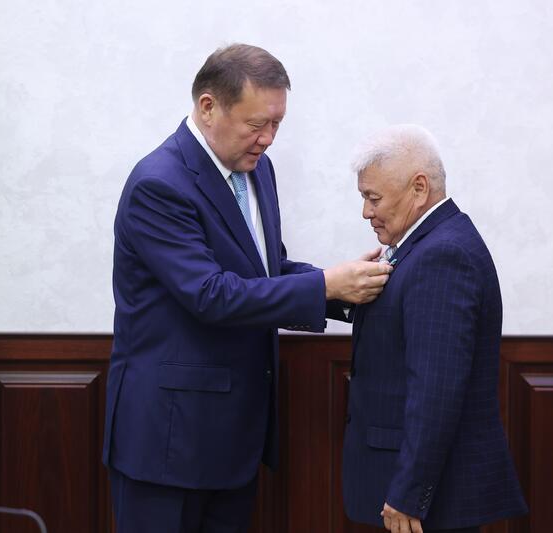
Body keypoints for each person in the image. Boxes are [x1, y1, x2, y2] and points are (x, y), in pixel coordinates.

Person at [103, 43, 392, 533]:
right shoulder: (159, 183)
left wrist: (347, 290)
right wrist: (325, 285)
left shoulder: (256, 169)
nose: (268, 139)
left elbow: (264, 270)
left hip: (233, 438)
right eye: (257, 124)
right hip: (168, 441)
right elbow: (211, 294)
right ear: (208, 107)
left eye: (277, 124)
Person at [342, 125, 528, 533]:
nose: (366, 212)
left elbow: (435, 391)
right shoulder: (428, 244)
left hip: (427, 503)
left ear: (419, 188)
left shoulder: (441, 255)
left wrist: (408, 492)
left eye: (373, 198)